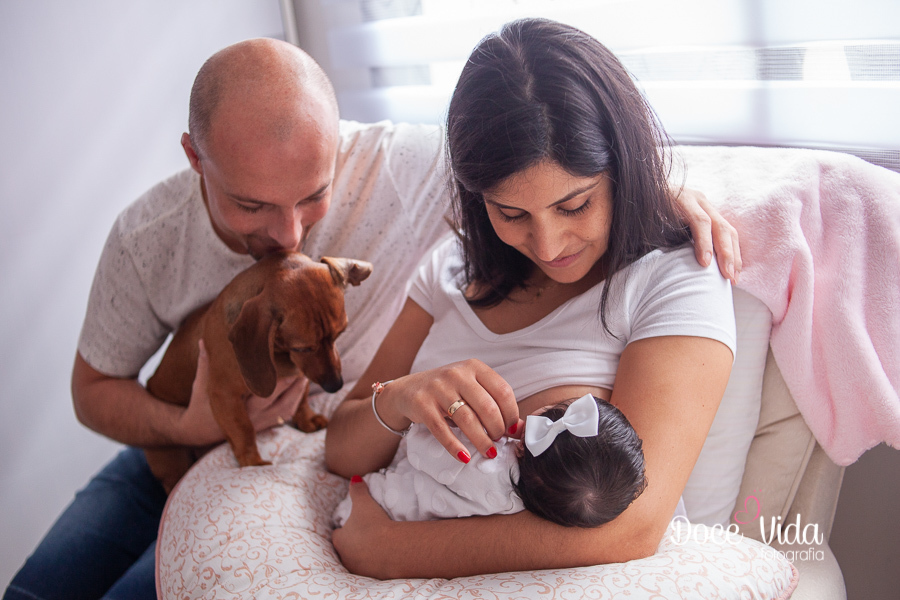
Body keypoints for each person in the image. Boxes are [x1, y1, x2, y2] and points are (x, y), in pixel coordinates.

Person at [4, 33, 738, 600]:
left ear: (343, 144)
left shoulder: (407, 168)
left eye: (313, 196)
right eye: (252, 206)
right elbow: (91, 388)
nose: (290, 235)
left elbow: (547, 143)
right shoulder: (148, 238)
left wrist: (661, 189)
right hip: (172, 443)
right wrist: (193, 428)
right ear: (196, 159)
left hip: (291, 462)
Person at [324, 18, 737, 580]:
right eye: (511, 213)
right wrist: (401, 398)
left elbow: (633, 524)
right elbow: (341, 451)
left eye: (574, 205)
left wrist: (388, 552)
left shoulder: (675, 279)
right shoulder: (450, 267)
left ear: (623, 166)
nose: (548, 245)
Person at [333, 393, 647, 528]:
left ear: (525, 447)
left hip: (382, 506)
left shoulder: (485, 463)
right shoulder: (529, 499)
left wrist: (443, 420)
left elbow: (420, 446)